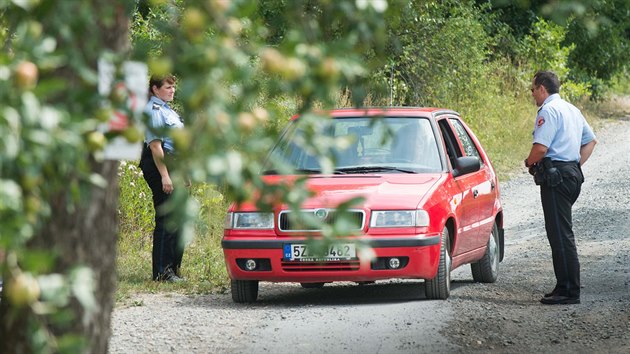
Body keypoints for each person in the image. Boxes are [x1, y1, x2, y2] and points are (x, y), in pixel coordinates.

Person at [524, 70, 597, 305]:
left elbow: (541, 148)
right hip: (571, 175)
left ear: (542, 89)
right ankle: (562, 284)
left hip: (556, 178)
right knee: (560, 231)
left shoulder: (548, 110)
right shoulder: (572, 109)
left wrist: (529, 162)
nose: (533, 93)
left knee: (560, 234)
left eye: (533, 89)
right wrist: (574, 165)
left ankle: (569, 290)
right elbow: (591, 141)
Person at [139, 74, 185, 282]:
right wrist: (165, 176)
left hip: (173, 163)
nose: (172, 90)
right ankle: (162, 271)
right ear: (155, 89)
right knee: (167, 218)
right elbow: (156, 146)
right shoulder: (153, 111)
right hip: (160, 163)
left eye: (173, 87)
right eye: (167, 87)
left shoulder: (167, 110)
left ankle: (173, 268)